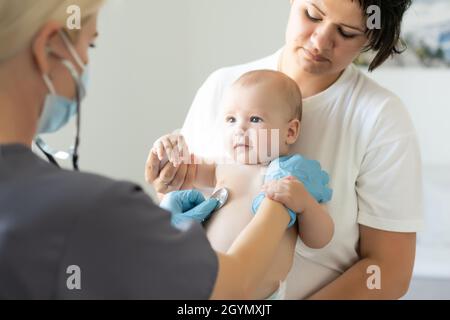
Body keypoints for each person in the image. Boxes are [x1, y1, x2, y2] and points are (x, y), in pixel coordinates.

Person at [0, 0, 296, 299]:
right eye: (90, 46)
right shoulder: (92, 208)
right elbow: (232, 287)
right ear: (49, 47)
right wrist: (279, 204)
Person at [146, 0, 424, 299]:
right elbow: (185, 202)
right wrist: (168, 179)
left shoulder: (379, 117)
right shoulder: (224, 87)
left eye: (346, 32)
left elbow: (388, 271)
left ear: (372, 35)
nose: (320, 41)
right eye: (312, 15)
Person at [153, 70, 335, 299]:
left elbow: (321, 239)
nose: (240, 129)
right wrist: (167, 149)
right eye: (231, 119)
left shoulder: (295, 176)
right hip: (205, 283)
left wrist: (306, 205)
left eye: (255, 119)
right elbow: (182, 167)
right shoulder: (222, 167)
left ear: (290, 131)